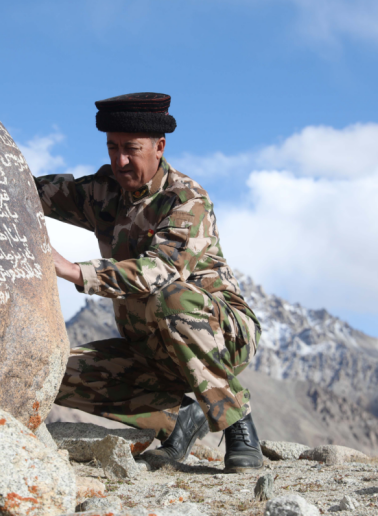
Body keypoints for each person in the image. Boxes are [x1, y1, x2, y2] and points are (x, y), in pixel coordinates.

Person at [34, 92, 263, 472]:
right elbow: (26, 190)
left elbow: (160, 271)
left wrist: (75, 271)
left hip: (220, 335)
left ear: (159, 147)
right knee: (47, 372)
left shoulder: (186, 199)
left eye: (131, 149)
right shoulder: (104, 191)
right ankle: (177, 418)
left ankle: (237, 422)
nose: (120, 160)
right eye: (112, 147)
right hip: (151, 346)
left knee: (171, 298)